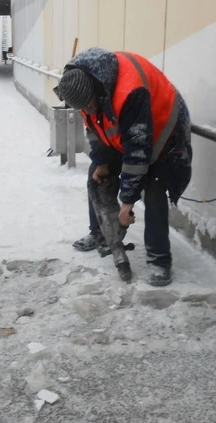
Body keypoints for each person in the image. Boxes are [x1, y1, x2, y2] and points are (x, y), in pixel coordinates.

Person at [55, 47, 193, 286]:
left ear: (97, 93)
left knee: (153, 185)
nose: (85, 111)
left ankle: (159, 259)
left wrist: (126, 203)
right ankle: (101, 234)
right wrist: (102, 162)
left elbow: (137, 152)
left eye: (88, 105)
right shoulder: (83, 85)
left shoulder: (131, 92)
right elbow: (95, 128)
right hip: (132, 132)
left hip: (165, 132)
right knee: (95, 176)